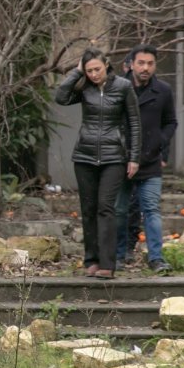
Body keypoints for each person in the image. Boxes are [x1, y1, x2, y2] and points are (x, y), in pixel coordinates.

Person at [55, 48, 141, 280]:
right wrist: (76, 73)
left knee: (105, 207)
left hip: (114, 156)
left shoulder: (123, 86)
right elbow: (60, 97)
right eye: (89, 70)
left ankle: (107, 264)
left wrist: (134, 157)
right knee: (88, 209)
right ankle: (91, 260)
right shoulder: (84, 87)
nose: (94, 74)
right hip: (84, 155)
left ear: (106, 65)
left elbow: (134, 122)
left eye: (97, 69)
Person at [116, 44, 178, 273]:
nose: (145, 68)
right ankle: (119, 256)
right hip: (121, 160)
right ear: (131, 64)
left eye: (150, 63)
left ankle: (156, 258)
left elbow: (171, 122)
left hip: (150, 161)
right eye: (141, 63)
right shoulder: (117, 88)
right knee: (120, 210)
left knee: (151, 210)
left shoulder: (163, 90)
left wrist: (160, 145)